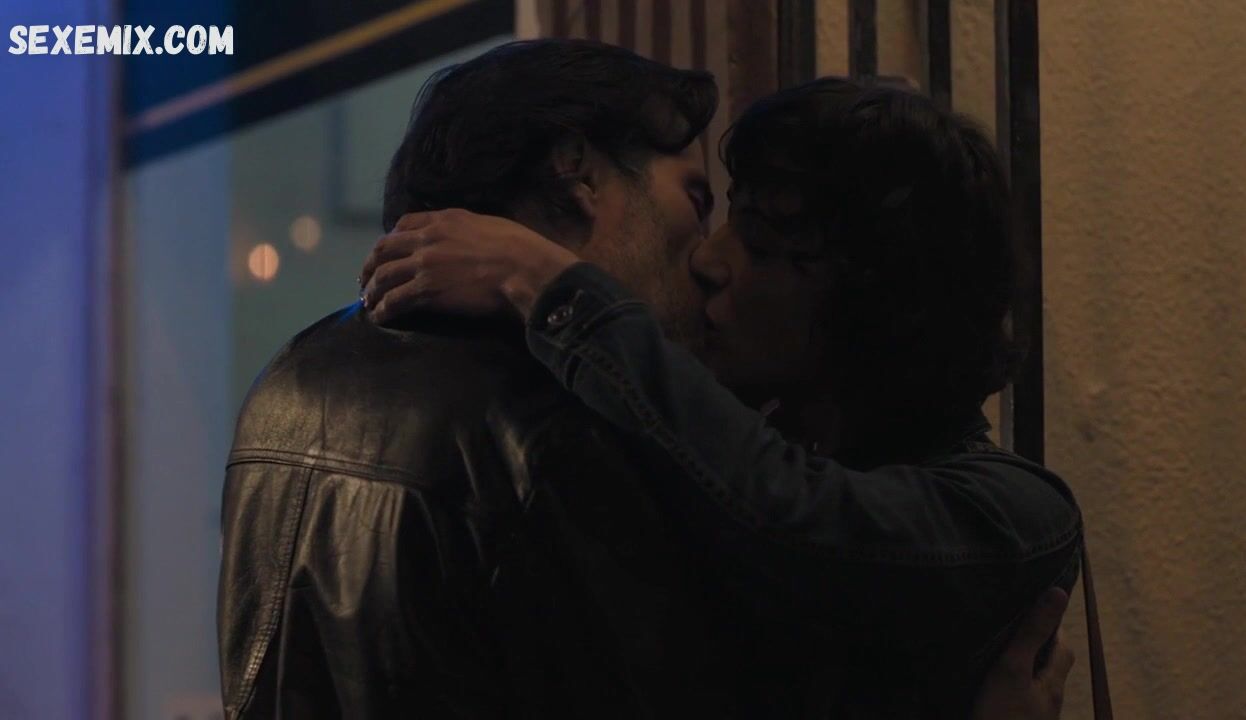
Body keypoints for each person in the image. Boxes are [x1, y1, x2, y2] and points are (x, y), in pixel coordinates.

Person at [219, 38, 1072, 718]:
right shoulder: (568, 428)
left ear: (869, 299)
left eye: (759, 244)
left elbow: (801, 514)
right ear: (579, 176)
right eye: (702, 203)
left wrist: (553, 286)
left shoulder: (291, 379)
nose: (709, 259)